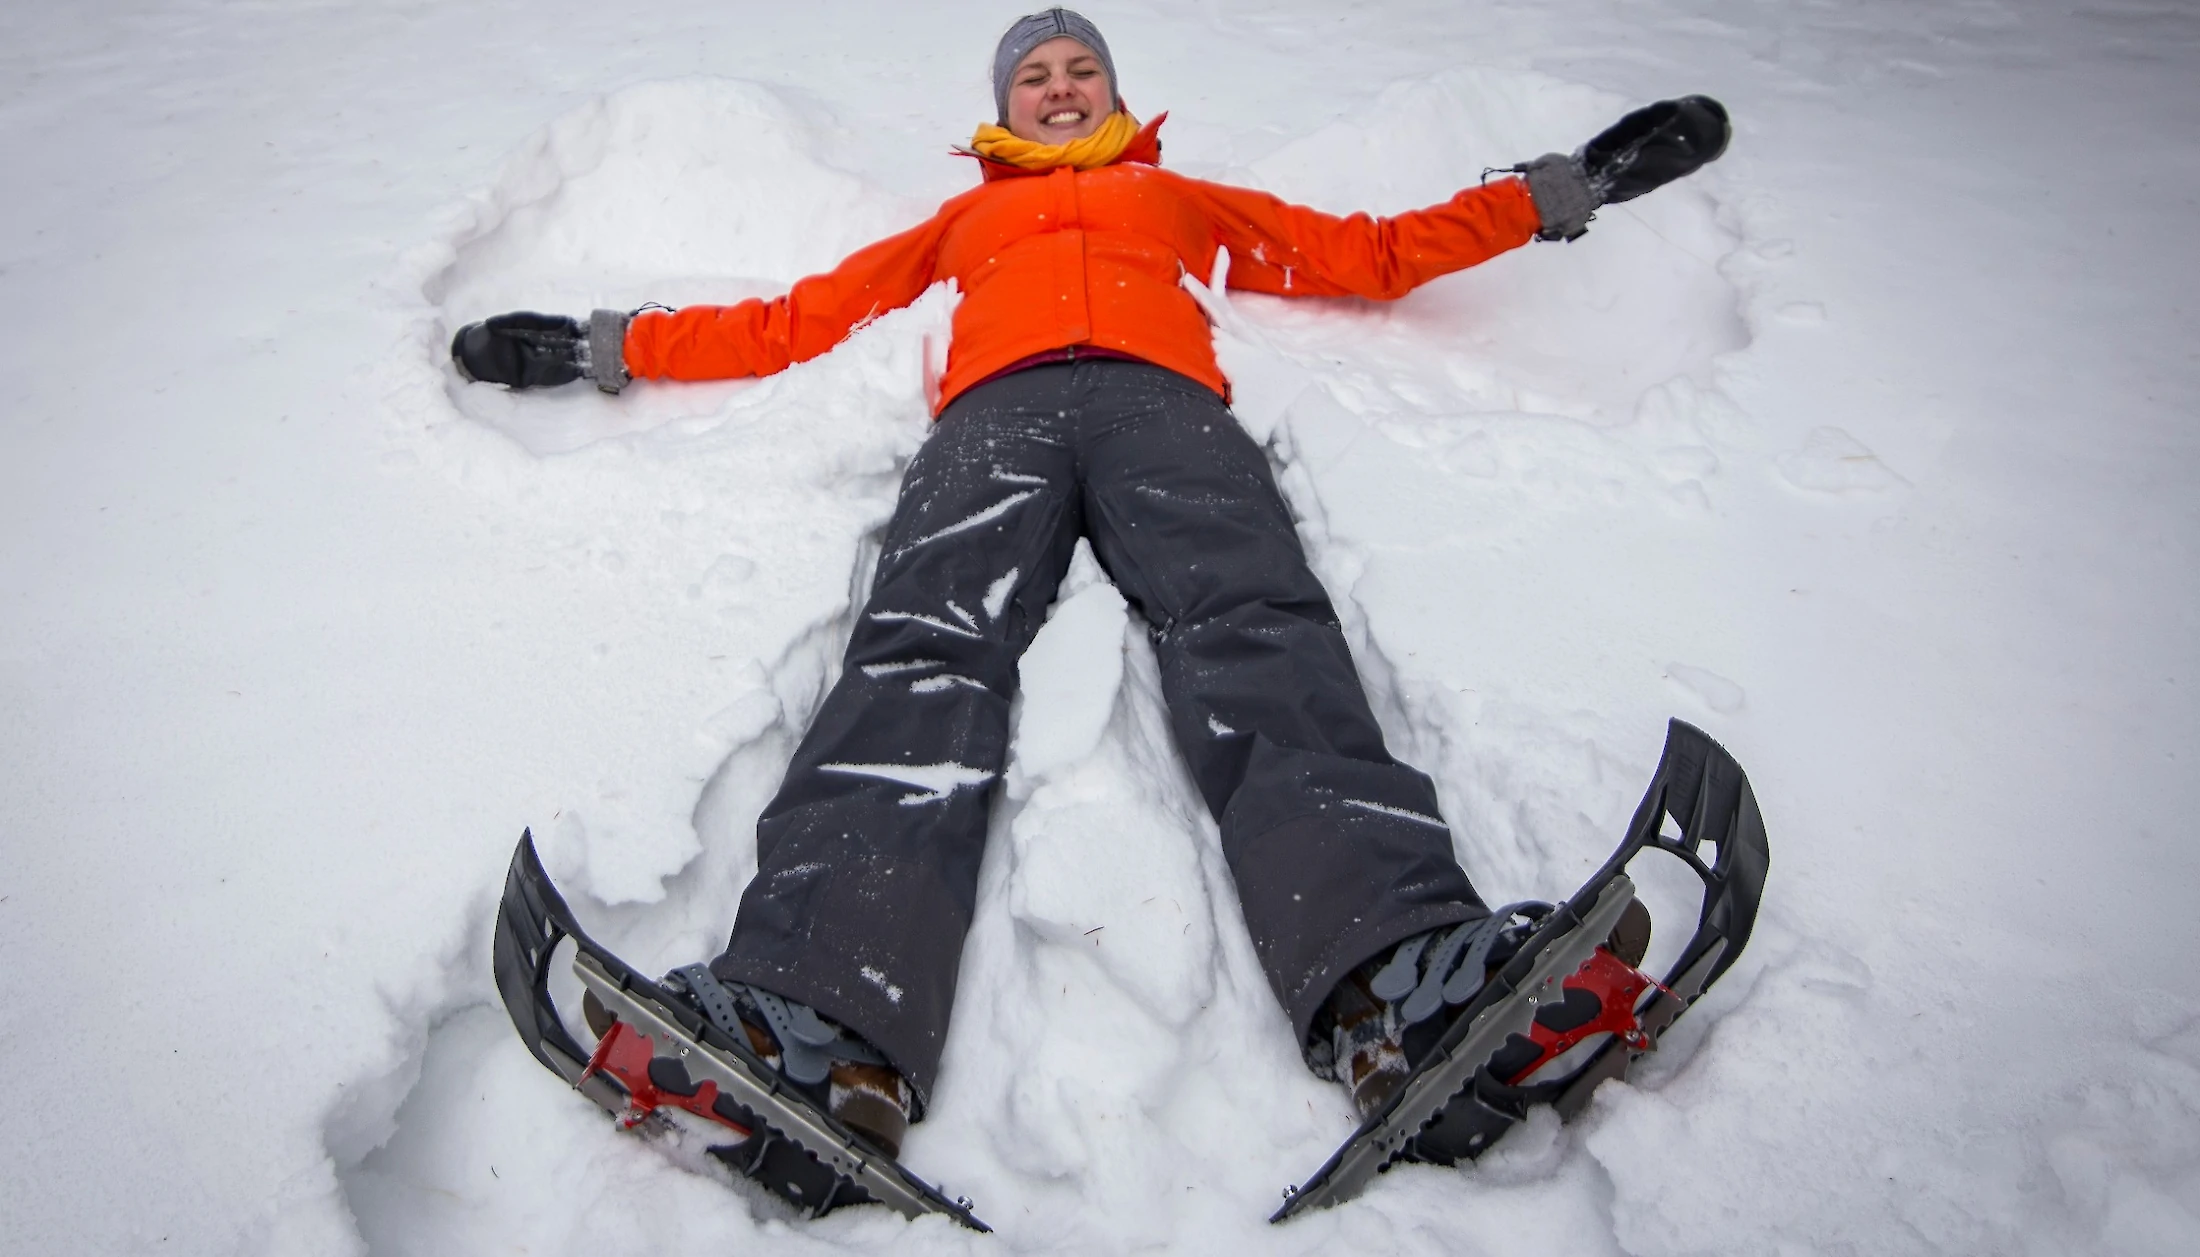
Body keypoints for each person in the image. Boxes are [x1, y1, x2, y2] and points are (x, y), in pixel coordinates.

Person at [455, 8, 1726, 1166]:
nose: (1059, 88)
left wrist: (1562, 191)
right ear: (1001, 114)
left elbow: (1371, 252)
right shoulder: (961, 225)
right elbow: (793, 319)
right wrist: (600, 343)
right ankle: (815, 1014)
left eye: (1081, 70)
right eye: (1035, 76)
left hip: (1163, 411)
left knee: (1253, 630)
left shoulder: (1176, 201)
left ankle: (1398, 977)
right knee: (921, 650)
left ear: (1117, 95)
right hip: (993, 424)